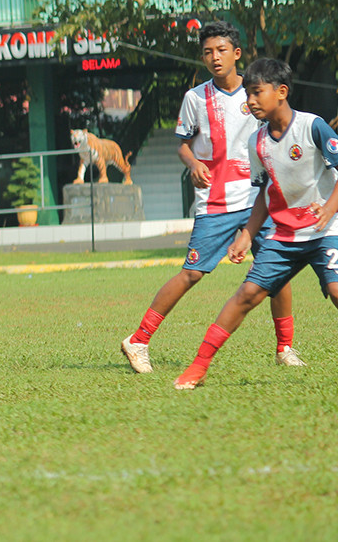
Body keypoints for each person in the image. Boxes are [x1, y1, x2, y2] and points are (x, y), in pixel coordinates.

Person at [121, 22, 303, 373]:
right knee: (192, 273)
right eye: (207, 52)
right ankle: (139, 339)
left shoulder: (260, 94)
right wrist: (192, 164)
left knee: (278, 274)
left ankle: (285, 348)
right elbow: (183, 145)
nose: (214, 57)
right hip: (216, 202)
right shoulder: (195, 98)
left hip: (260, 200)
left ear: (237, 54)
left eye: (220, 50)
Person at [174, 58, 338, 389]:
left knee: (336, 291)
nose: (249, 101)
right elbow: (265, 192)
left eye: (256, 92)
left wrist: (329, 209)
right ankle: (199, 366)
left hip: (324, 232)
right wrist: (247, 235)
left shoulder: (313, 126)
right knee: (246, 294)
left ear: (281, 92)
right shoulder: (257, 142)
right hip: (283, 236)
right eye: (247, 93)